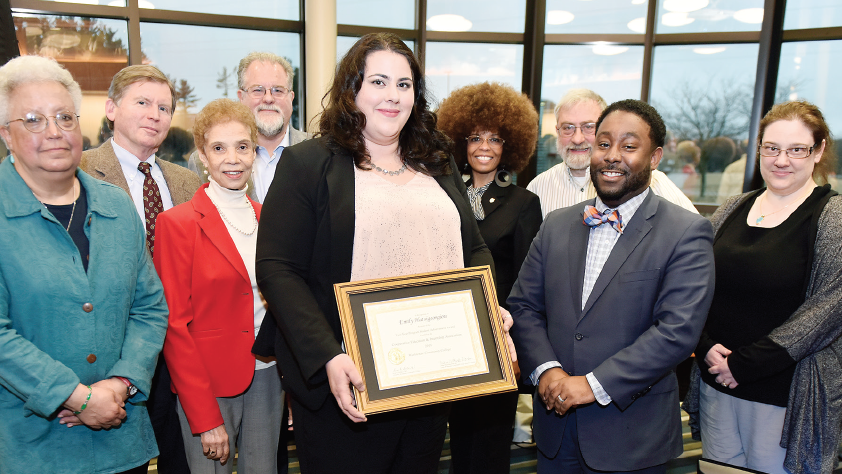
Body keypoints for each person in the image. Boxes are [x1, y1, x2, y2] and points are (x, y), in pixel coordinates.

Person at [254, 32, 500, 474]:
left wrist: (488, 309)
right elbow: (278, 269)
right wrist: (327, 354)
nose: (393, 96)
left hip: (429, 376)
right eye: (379, 82)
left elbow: (474, 247)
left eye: (404, 85)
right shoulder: (308, 164)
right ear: (353, 90)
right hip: (347, 381)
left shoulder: (436, 161)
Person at [0, 55, 168, 474]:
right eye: (34, 120)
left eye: (65, 117)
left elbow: (149, 308)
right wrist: (77, 397)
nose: (55, 132)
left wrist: (119, 384)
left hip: (118, 432)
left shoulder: (115, 204)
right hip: (29, 445)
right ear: (6, 133)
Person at [509, 99, 715, 474]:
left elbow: (676, 332)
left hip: (631, 435)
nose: (612, 156)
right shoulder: (556, 224)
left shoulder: (686, 231)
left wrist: (592, 385)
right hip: (555, 428)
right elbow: (523, 307)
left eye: (628, 146)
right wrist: (548, 370)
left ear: (654, 158)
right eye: (603, 144)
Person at [684, 100, 842, 474]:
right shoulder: (733, 208)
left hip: (784, 395)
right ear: (759, 149)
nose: (781, 160)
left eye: (796, 149)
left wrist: (745, 364)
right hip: (717, 381)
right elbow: (692, 284)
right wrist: (705, 348)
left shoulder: (837, 216)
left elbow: (832, 308)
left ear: (818, 151)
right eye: (771, 148)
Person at [80, 64, 201, 474]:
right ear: (112, 108)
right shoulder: (78, 172)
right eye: (143, 103)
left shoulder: (187, 183)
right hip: (111, 350)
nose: (155, 114)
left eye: (164, 107)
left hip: (179, 347)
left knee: (179, 455)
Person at [154, 99, 281, 474]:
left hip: (268, 374)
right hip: (208, 384)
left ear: (254, 152)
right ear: (202, 156)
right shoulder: (177, 223)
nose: (233, 159)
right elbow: (174, 325)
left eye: (242, 147)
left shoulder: (268, 218)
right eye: (219, 148)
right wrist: (203, 414)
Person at [435, 81, 542, 474]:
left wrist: (511, 337)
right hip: (449, 335)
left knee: (491, 443)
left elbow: (528, 281)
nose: (484, 146)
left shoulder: (524, 203)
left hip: (498, 337)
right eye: (475, 136)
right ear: (460, 142)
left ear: (510, 144)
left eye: (495, 138)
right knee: (457, 436)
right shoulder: (442, 194)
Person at [526, 88, 696, 217]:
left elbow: (692, 233)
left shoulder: (653, 182)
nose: (577, 139)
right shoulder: (537, 188)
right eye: (567, 128)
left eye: (589, 127)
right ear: (557, 131)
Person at [189, 52, 310, 196]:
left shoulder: (321, 152)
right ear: (241, 97)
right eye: (258, 90)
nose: (268, 99)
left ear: (291, 97)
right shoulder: (204, 161)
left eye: (278, 90)